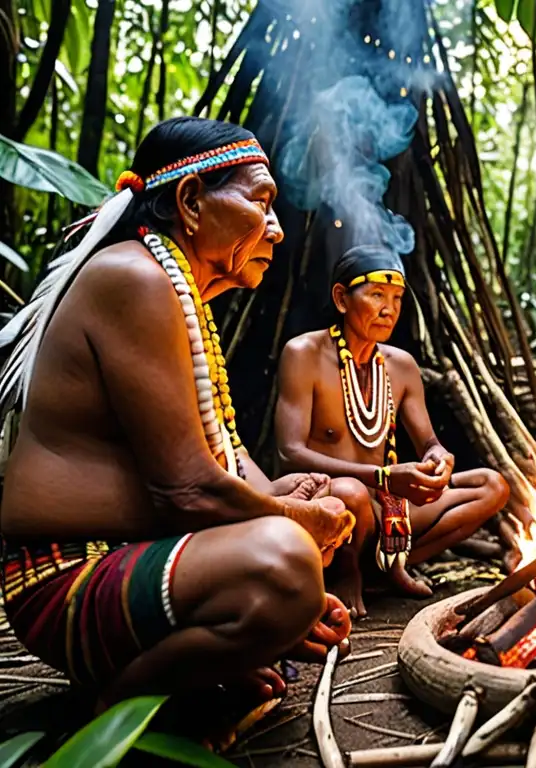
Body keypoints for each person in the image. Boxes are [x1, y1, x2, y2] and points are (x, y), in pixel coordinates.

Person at [0, 118, 355, 742]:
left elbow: (225, 463)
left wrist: (294, 508)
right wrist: (291, 534)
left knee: (315, 512)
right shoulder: (134, 279)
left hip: (124, 561)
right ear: (191, 201)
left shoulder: (174, 292)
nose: (276, 228)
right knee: (285, 561)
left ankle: (189, 673)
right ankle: (115, 716)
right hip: (64, 581)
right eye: (261, 201)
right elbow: (188, 491)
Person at [275, 244, 510, 615]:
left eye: (398, 298)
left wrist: (437, 459)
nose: (390, 309)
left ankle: (387, 567)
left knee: (491, 486)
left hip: (389, 506)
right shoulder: (303, 353)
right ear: (341, 298)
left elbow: (429, 441)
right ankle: (345, 569)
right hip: (334, 504)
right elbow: (290, 451)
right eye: (377, 295)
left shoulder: (400, 365)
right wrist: (383, 476)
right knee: (351, 494)